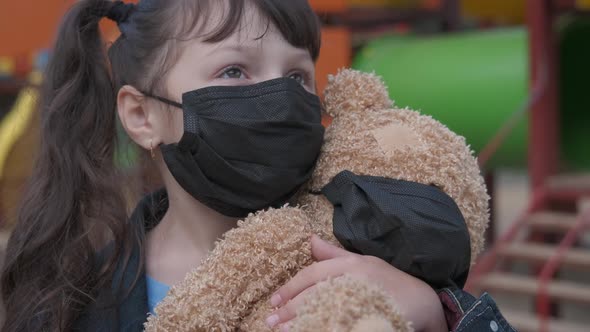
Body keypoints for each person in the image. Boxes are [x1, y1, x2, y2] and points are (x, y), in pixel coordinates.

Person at [0, 1, 516, 331]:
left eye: (297, 77)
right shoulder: (77, 303)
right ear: (142, 115)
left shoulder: (372, 245)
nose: (277, 97)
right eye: (233, 70)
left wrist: (439, 316)